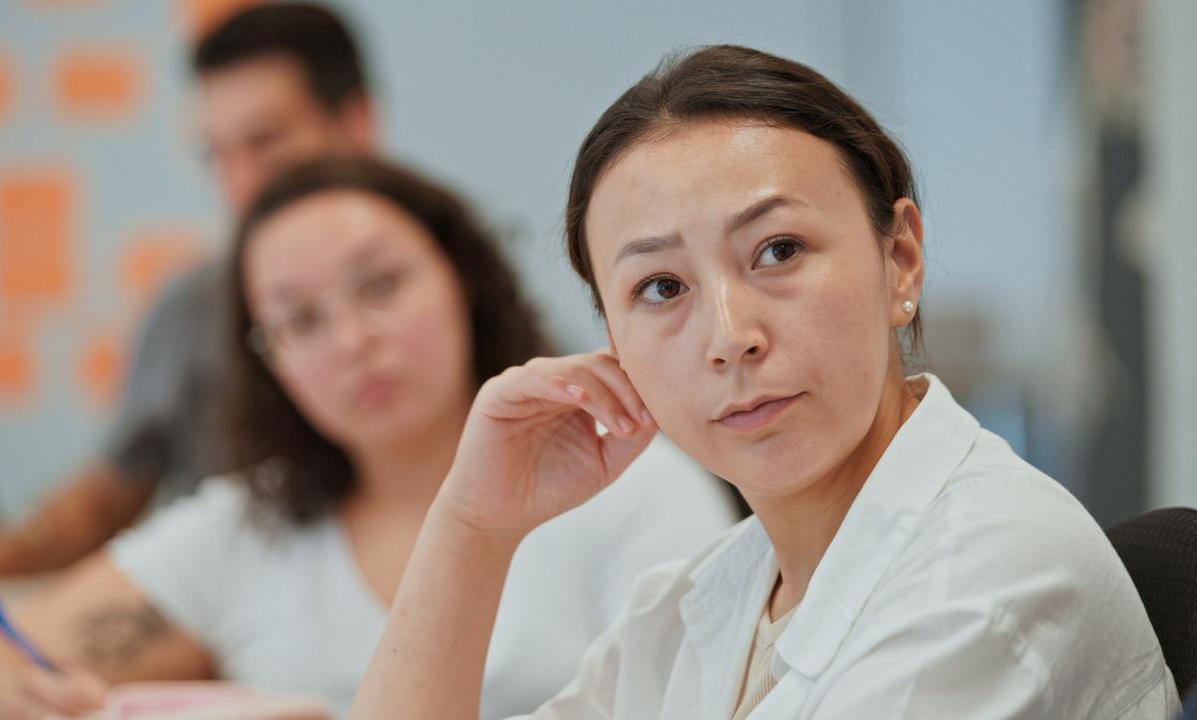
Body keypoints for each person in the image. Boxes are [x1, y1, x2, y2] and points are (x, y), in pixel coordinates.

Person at [347, 46, 1181, 719]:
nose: (729, 338)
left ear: (900, 260)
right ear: (613, 344)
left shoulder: (990, 576)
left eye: (777, 251)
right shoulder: (693, 606)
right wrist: (470, 525)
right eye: (661, 288)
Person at [0, 156, 736, 719]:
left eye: (381, 286)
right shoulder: (247, 523)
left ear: (463, 280)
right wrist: (18, 689)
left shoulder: (624, 476)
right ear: (270, 364)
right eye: (300, 321)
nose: (352, 339)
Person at [0, 2, 379, 585]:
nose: (238, 183)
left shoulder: (457, 289)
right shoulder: (192, 303)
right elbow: (100, 504)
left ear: (355, 122)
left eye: (265, 143)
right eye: (216, 154)